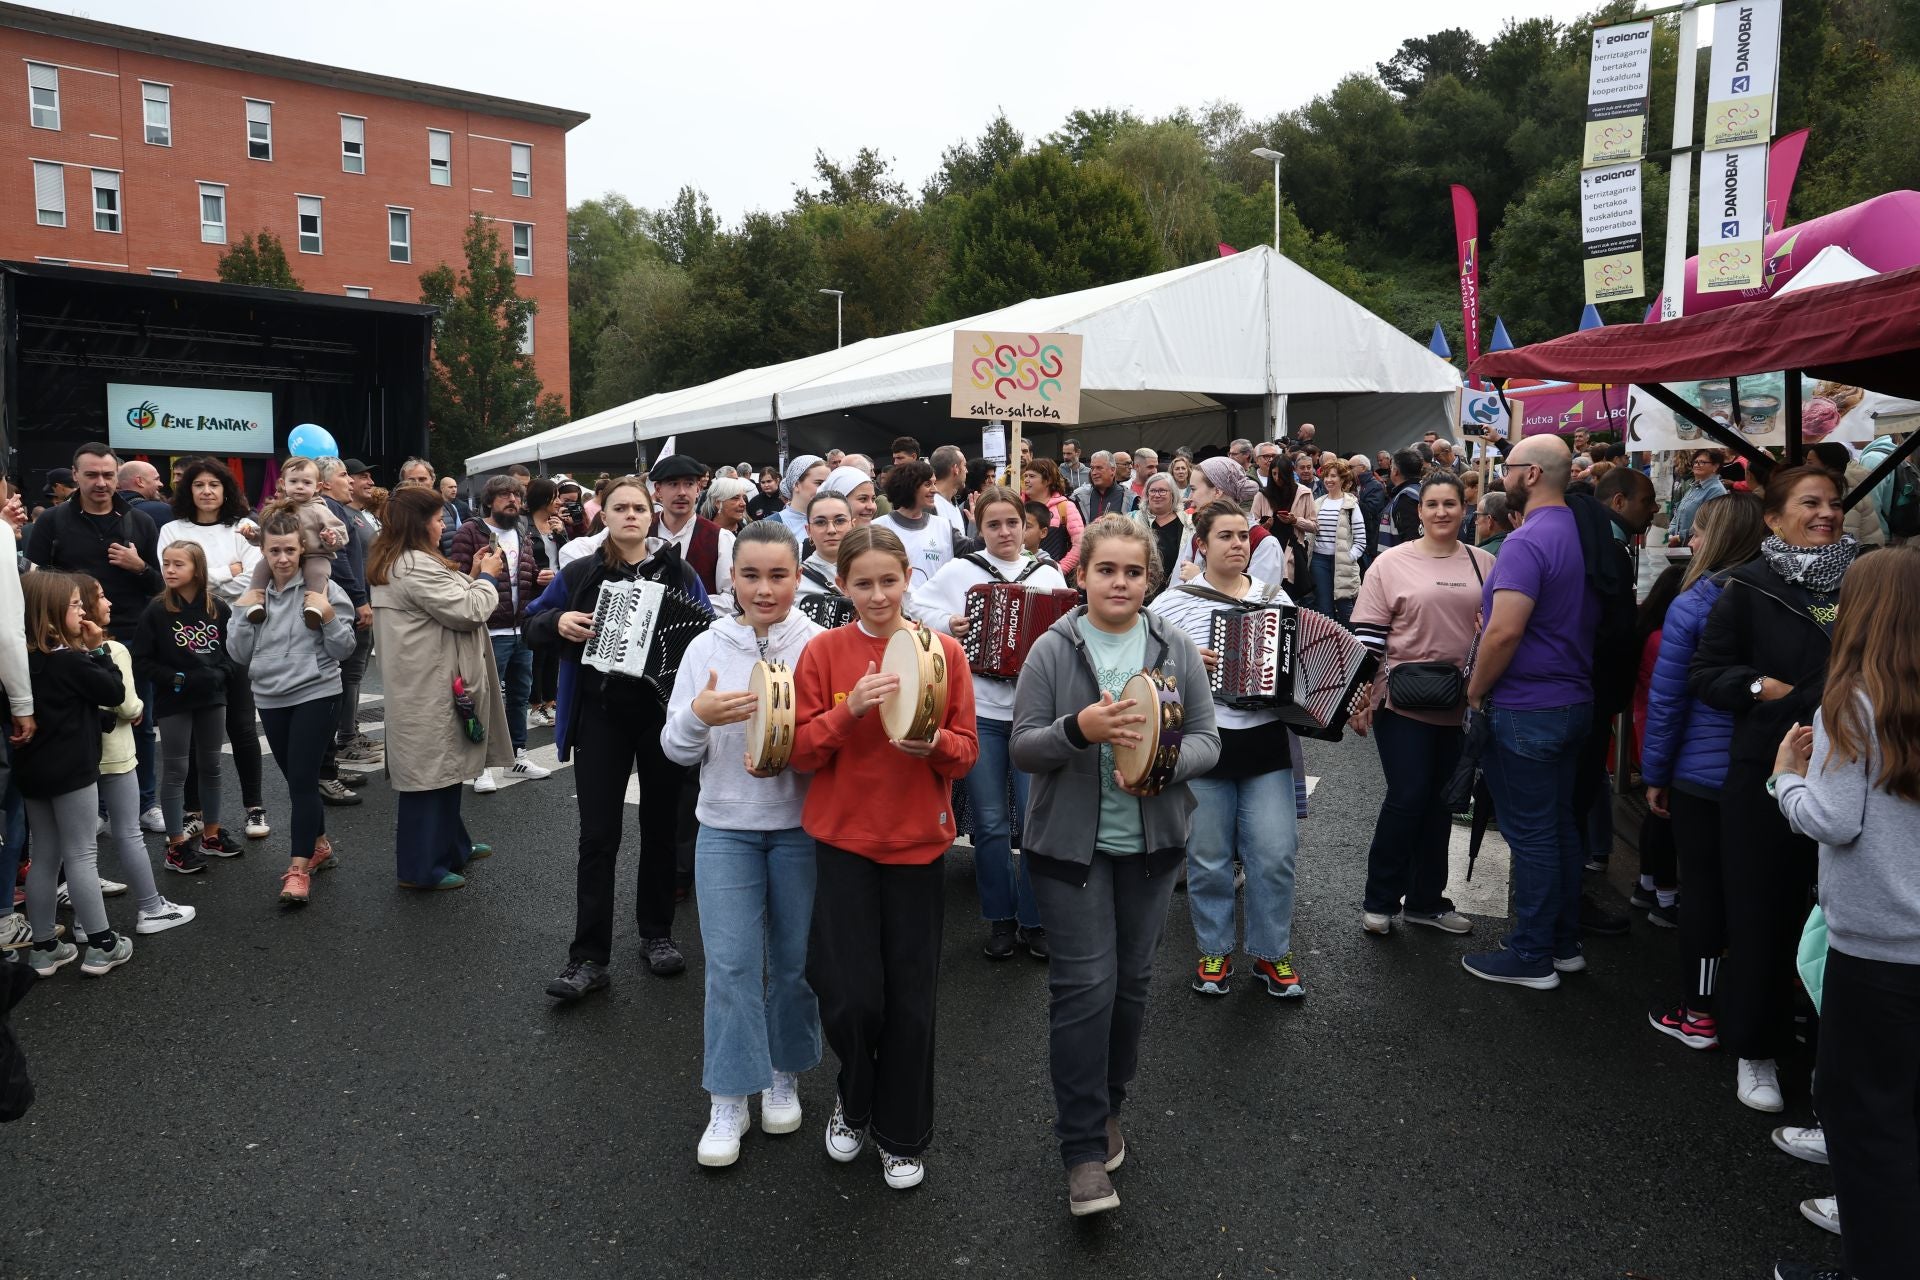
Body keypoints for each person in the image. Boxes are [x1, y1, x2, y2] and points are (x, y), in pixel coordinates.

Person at [1012, 514, 1219, 1216]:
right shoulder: (1052, 648)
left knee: (1130, 985)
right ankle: (1080, 1151)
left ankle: (1108, 1106)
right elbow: (1023, 746)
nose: (1120, 582)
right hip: (1069, 850)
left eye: (1134, 572)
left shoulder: (1174, 645)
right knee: (1085, 989)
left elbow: (1207, 742)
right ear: (1082, 575)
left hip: (1153, 849)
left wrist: (1164, 769)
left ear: (1150, 579)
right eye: (1107, 570)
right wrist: (1081, 730)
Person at [790, 525, 978, 1192]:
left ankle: (901, 1133)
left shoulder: (945, 652)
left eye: (889, 581)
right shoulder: (823, 653)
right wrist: (851, 715)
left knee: (910, 1000)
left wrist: (936, 750)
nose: (877, 595)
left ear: (908, 581)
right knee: (849, 995)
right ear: (842, 585)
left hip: (917, 844)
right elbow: (801, 751)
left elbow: (968, 748)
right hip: (843, 841)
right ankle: (854, 1094)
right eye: (863, 583)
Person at [1690, 464, 1862, 1113]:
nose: (1826, 513)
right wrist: (1761, 688)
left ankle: (1827, 1061)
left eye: (1835, 503)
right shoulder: (1748, 587)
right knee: (1762, 916)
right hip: (1765, 773)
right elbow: (1706, 673)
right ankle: (1754, 1050)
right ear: (1773, 517)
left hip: (1851, 774)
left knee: (1835, 927)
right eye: (1810, 502)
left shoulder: (1866, 581)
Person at [1769, 546, 1920, 1280]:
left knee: (1867, 1126)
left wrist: (1784, 779)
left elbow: (1832, 819)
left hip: (1875, 946)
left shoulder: (1855, 699)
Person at [663, 520, 824, 1166]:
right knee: (729, 967)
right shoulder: (707, 645)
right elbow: (674, 750)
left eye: (778, 576)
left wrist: (798, 750)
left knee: (794, 964)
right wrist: (699, 718)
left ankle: (784, 1073)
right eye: (751, 575)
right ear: (731, 577)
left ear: (797, 577)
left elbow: (832, 748)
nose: (764, 589)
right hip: (725, 828)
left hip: (800, 829)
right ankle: (728, 1095)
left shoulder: (819, 645)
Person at [525, 477, 710, 993]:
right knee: (598, 836)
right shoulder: (581, 572)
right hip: (601, 715)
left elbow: (704, 634)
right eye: (620, 508)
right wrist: (559, 621)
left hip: (658, 713)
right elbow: (530, 622)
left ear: (651, 517)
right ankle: (588, 956)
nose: (631, 515)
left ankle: (656, 934)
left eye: (639, 508)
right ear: (602, 515)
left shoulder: (679, 571)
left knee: (660, 827)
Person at [1460, 436, 1599, 989]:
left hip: (1526, 704)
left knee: (1533, 834)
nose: (1503, 474)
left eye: (1511, 466)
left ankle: (1533, 953)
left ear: (1533, 475)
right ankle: (1562, 945)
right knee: (1559, 826)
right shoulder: (1576, 530)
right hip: (1572, 699)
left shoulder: (1526, 540)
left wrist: (1475, 689)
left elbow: (1506, 630)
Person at [1150, 500, 1303, 1000]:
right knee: (1209, 857)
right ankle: (1214, 950)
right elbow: (1138, 668)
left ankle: (1270, 953)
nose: (1238, 544)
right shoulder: (1172, 605)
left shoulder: (1276, 599)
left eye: (1243, 536)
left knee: (1274, 854)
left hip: (1265, 742)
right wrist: (1181, 659)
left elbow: (1299, 670)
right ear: (1202, 544)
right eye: (1226, 536)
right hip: (1204, 741)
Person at [913, 486, 1068, 960]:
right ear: (979, 529)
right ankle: (1000, 918)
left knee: (1036, 821)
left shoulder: (1047, 572)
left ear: (1027, 526)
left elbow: (1066, 629)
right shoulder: (962, 570)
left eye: (1012, 523)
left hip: (1033, 713)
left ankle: (1035, 919)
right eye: (994, 524)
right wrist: (949, 622)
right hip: (979, 710)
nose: (1004, 532)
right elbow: (915, 606)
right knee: (992, 823)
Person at [1641, 492, 1767, 1049]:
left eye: (1698, 532)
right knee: (1760, 894)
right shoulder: (1784, 598)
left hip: (1700, 773)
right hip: (1775, 770)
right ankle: (1755, 1012)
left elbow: (1668, 702)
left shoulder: (1693, 603)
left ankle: (1699, 1013)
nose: (1689, 541)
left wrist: (1655, 773)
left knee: (1705, 893)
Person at [1350, 471, 1493, 937]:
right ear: (1419, 510)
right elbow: (1367, 637)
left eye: (1450, 503)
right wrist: (1361, 696)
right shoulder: (1390, 564)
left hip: (1463, 701)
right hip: (1402, 700)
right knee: (1408, 796)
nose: (1441, 512)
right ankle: (1380, 899)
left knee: (1443, 802)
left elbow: (1500, 626)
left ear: (1464, 507)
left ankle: (1427, 901)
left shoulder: (1483, 564)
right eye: (1433, 504)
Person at [367, 484, 509, 892]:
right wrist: (486, 579)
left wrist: (471, 573)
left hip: (426, 677)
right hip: (427, 681)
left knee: (444, 768)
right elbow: (469, 611)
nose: (441, 526)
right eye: (435, 519)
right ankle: (419, 868)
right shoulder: (412, 564)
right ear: (418, 525)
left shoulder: (402, 560)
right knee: (426, 776)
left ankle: (452, 847)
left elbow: (444, 597)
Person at [26, 442, 164, 832]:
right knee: (86, 723)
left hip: (133, 637)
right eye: (91, 475)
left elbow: (159, 585)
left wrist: (139, 567)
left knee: (140, 719)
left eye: (107, 474)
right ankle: (98, 807)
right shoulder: (52, 523)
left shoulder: (140, 522)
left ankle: (146, 801)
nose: (101, 483)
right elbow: (35, 585)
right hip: (72, 643)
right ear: (75, 475)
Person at [229, 510, 359, 906]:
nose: (283, 558)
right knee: (296, 781)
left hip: (317, 693)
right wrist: (244, 616)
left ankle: (298, 869)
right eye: (274, 551)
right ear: (263, 552)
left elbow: (345, 650)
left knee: (303, 780)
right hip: (269, 696)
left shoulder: (324, 589)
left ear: (302, 549)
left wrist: (330, 617)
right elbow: (237, 653)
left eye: (289, 550)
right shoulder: (253, 595)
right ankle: (319, 844)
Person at [17, 572, 134, 978]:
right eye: (74, 605)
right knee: (82, 853)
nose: (82, 609)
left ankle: (45, 947)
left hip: (32, 771)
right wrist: (99, 648)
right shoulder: (67, 660)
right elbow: (114, 693)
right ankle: (103, 944)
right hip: (73, 771)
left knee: (44, 854)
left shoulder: (20, 662)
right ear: (51, 613)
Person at [159, 458, 269, 841]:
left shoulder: (244, 527)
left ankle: (254, 808)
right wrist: (227, 573)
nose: (207, 491)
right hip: (186, 641)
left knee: (241, 724)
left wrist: (205, 580)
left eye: (215, 484)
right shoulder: (172, 528)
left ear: (227, 489)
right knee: (191, 731)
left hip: (235, 633)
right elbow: (172, 579)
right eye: (199, 484)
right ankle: (193, 810)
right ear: (188, 490)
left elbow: (255, 580)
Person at [78, 575, 193, 933]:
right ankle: (151, 908)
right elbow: (127, 707)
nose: (109, 602)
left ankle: (85, 922)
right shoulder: (113, 651)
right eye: (99, 596)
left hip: (77, 759)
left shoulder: (56, 652)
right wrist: (140, 704)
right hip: (115, 755)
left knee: (79, 846)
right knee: (129, 832)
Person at [131, 542, 237, 874]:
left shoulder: (218, 607)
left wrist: (219, 673)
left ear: (197, 570)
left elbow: (234, 652)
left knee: (212, 765)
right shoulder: (156, 610)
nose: (170, 569)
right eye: (166, 563)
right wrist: (177, 678)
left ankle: (211, 834)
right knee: (176, 771)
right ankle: (176, 846)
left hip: (211, 696)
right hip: (174, 698)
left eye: (179, 564)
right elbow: (142, 661)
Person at [447, 476, 554, 793]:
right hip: (488, 628)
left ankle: (517, 755)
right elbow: (459, 577)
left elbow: (526, 576)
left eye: (517, 495)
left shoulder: (522, 531)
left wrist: (540, 579)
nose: (512, 500)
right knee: (483, 698)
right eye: (505, 495)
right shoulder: (471, 530)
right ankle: (480, 764)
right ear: (489, 500)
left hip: (522, 627)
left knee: (520, 695)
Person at [315, 457, 380, 796]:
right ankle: (331, 762)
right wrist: (358, 599)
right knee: (340, 679)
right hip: (342, 607)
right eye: (343, 476)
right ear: (324, 483)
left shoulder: (337, 509)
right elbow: (340, 562)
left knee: (347, 678)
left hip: (350, 602)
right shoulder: (327, 510)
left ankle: (332, 765)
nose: (351, 481)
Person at [244, 458, 346, 629]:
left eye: (306, 482)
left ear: (318, 487)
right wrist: (252, 535)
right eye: (294, 481)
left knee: (318, 572)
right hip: (283, 554)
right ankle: (255, 602)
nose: (300, 486)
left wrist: (331, 537)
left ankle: (314, 607)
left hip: (315, 554)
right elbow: (267, 535)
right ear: (283, 483)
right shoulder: (278, 509)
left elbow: (339, 531)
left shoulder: (320, 509)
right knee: (261, 567)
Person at [1175, 458, 1285, 587]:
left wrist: (1200, 580)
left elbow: (1258, 601)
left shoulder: (1264, 544)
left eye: (1193, 489)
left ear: (1217, 491)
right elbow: (1174, 592)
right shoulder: (1197, 538)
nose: (1191, 498)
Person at [651, 455, 734, 595]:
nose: (682, 492)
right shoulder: (641, 530)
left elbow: (730, 598)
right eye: (673, 484)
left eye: (689, 484)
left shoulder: (720, 538)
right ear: (658, 490)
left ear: (698, 490)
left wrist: (687, 605)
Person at [524, 478, 569, 727]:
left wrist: (561, 535)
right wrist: (535, 576)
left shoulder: (556, 525)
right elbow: (521, 560)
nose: (560, 502)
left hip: (556, 592)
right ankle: (535, 704)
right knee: (537, 653)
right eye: (555, 497)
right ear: (543, 499)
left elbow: (569, 555)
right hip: (534, 594)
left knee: (554, 651)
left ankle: (551, 702)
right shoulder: (524, 525)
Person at [871, 459, 954, 589]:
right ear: (910, 487)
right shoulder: (876, 528)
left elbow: (974, 550)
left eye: (934, 483)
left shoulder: (944, 526)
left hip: (934, 608)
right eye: (928, 484)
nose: (935, 490)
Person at [1310, 458, 1366, 627]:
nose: (1328, 480)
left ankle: (1353, 649)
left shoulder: (1351, 505)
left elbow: (1361, 540)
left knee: (1345, 609)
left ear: (1343, 479)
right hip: (1319, 561)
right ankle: (1331, 649)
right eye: (1326, 476)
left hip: (1342, 562)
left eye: (1333, 476)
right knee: (1324, 609)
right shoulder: (1317, 503)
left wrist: (1349, 557)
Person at [1809, 441, 1886, 549]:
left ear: (1827, 464)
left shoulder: (1844, 491)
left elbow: (1846, 540)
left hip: (1860, 560)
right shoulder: (1845, 487)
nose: (1805, 467)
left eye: (1810, 462)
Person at [1023, 458, 1084, 577]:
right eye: (1025, 476)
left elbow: (1080, 544)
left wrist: (1059, 569)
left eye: (1031, 476)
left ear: (1048, 480)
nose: (1026, 480)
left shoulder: (1066, 507)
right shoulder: (1019, 507)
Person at [1132, 473, 1189, 597]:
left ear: (1172, 494)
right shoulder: (1133, 520)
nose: (1157, 495)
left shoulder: (1187, 523)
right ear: (1147, 494)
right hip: (1140, 591)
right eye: (1153, 491)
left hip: (1176, 594)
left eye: (1162, 491)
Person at [799, 492, 854, 603]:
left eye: (840, 521)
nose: (831, 530)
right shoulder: (797, 582)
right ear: (808, 530)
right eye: (820, 522)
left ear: (853, 525)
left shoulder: (871, 570)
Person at [1668, 449, 1726, 546]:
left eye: (1702, 462)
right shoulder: (1694, 487)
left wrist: (1679, 537)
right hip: (1681, 546)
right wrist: (1669, 533)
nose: (1696, 465)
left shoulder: (1716, 491)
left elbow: (1708, 523)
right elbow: (1678, 515)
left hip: (1697, 548)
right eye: (1695, 462)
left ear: (1715, 466)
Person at [1377, 449, 1424, 551]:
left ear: (1395, 471)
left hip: (1400, 563)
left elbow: (1412, 540)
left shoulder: (1406, 498)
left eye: (1391, 467)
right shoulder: (1420, 490)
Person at [775, 455, 829, 541]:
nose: (825, 488)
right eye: (819, 483)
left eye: (828, 484)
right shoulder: (772, 524)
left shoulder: (835, 521)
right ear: (796, 485)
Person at [1072, 451, 1132, 524]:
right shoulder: (1077, 497)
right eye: (1092, 468)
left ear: (1112, 470)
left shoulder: (1130, 498)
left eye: (1099, 468)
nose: (1094, 473)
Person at [1351, 454, 1387, 567]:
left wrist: (1354, 500)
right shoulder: (1354, 484)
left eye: (1351, 467)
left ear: (1362, 468)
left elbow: (1371, 511)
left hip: (1369, 540)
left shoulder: (1375, 485)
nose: (1348, 470)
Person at [929, 445, 970, 541]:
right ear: (955, 469)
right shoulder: (930, 505)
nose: (967, 471)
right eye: (964, 465)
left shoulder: (954, 505)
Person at [1475, 492, 1515, 557]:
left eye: (1477, 515)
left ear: (1489, 521)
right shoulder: (1522, 547)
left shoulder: (1480, 556)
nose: (1476, 522)